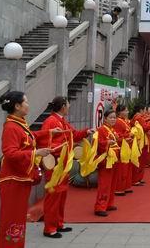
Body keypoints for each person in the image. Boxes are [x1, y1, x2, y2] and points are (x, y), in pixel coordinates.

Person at [0, 91, 59, 247]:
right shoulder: (11, 127)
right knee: (12, 220)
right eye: (26, 102)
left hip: (19, 179)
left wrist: (49, 132)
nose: (28, 105)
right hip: (13, 180)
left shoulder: (19, 123)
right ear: (17, 106)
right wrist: (36, 152)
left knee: (17, 219)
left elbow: (30, 136)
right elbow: (10, 153)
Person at [39, 96, 93, 238]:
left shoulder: (61, 121)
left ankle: (58, 223)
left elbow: (74, 135)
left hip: (63, 164)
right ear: (63, 106)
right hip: (55, 165)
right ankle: (49, 228)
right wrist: (63, 148)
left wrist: (86, 132)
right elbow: (46, 144)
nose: (69, 107)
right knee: (53, 196)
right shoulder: (50, 122)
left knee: (61, 195)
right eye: (68, 104)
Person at [94, 109, 120, 217]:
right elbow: (98, 144)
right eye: (111, 117)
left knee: (112, 183)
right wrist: (108, 142)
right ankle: (100, 206)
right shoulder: (101, 130)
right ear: (105, 119)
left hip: (113, 160)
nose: (113, 119)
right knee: (104, 184)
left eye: (114, 117)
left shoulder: (111, 130)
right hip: (105, 161)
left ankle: (109, 203)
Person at [113, 104, 134, 196]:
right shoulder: (118, 122)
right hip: (122, 148)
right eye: (125, 110)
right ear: (119, 112)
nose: (127, 112)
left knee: (127, 167)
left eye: (127, 110)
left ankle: (125, 186)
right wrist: (127, 137)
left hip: (127, 146)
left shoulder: (125, 121)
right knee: (122, 168)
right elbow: (117, 136)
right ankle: (119, 188)